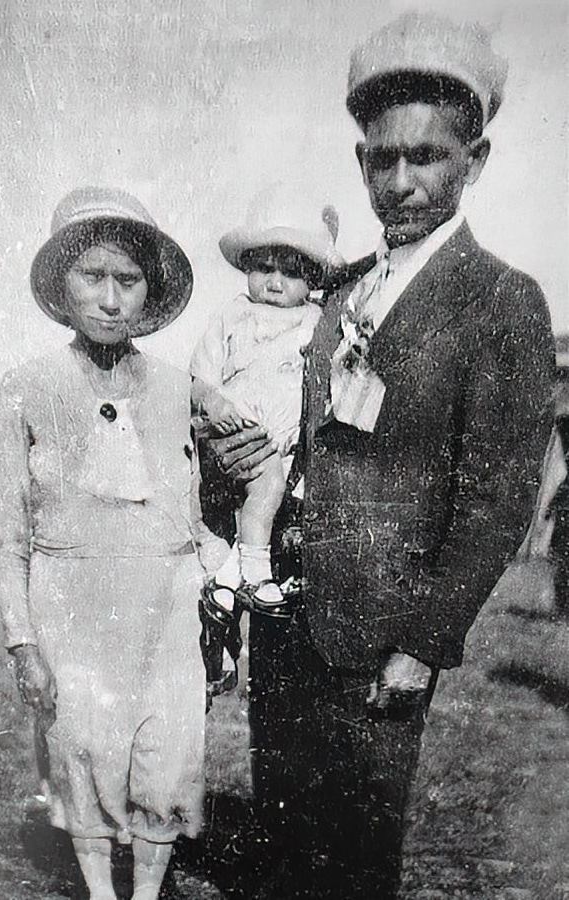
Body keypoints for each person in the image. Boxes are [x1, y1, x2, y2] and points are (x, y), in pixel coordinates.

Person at [209, 13, 556, 899]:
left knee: (356, 856)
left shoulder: (501, 300)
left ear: (472, 160)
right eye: (379, 159)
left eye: (426, 158)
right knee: (284, 832)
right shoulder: (341, 283)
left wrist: (422, 644)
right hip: (287, 612)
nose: (398, 182)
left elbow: (496, 499)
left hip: (381, 635)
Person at [0, 187, 225, 900]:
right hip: (70, 606)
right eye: (93, 277)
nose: (111, 299)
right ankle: (99, 892)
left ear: (149, 291)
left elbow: (209, 502)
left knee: (165, 756)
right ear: (62, 283)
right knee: (83, 750)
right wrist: (24, 645)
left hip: (165, 607)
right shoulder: (26, 388)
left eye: (128, 280)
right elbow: (6, 534)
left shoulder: (182, 387)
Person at [190, 212, 343, 692]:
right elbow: (199, 379)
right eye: (264, 269)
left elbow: (326, 387)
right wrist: (212, 402)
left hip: (281, 445)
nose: (275, 283)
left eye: (291, 272)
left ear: (312, 280)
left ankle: (226, 608)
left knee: (266, 500)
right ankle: (249, 575)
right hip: (231, 435)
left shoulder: (316, 322)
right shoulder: (231, 315)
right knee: (226, 520)